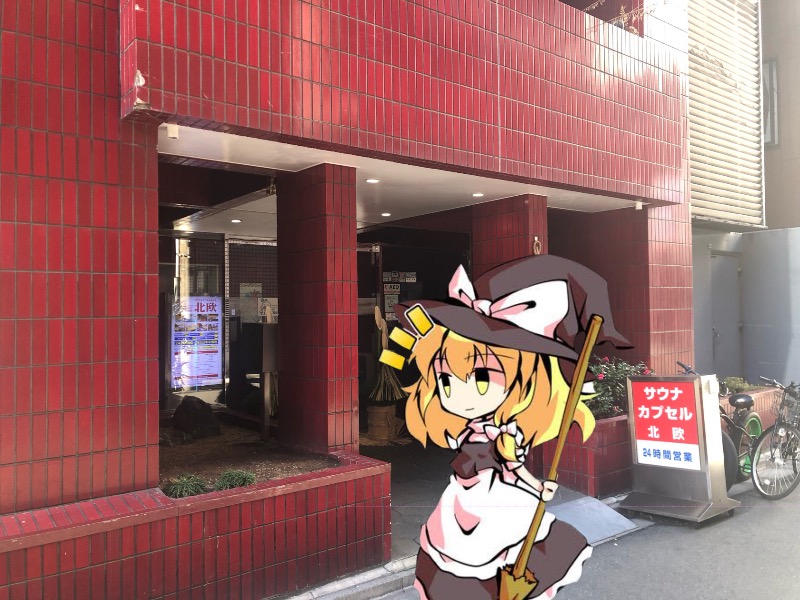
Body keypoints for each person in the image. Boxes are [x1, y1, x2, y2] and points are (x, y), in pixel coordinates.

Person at [392, 255, 631, 600]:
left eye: (481, 377)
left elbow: (514, 468)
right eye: (445, 380)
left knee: (503, 561)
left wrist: (538, 488)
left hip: (499, 502)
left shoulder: (502, 434)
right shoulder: (469, 430)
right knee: (457, 564)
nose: (459, 393)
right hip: (461, 501)